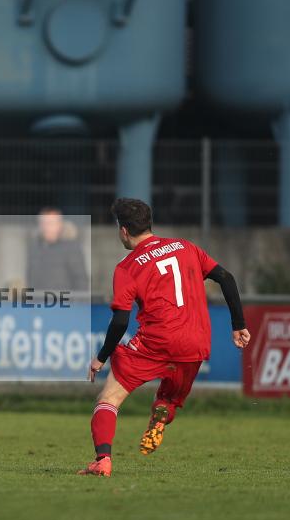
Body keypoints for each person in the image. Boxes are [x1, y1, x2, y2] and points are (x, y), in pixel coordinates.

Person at [79, 198, 251, 477]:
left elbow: (121, 321)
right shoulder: (186, 247)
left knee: (108, 399)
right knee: (169, 399)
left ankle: (103, 460)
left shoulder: (127, 267)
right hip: (196, 341)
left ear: (123, 231)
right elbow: (226, 278)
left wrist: (101, 357)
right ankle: (161, 412)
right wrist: (238, 324)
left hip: (155, 342)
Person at [26, 206, 88, 292]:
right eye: (43, 223)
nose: (46, 227)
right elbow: (30, 279)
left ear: (60, 225)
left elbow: (81, 281)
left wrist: (79, 303)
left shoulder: (72, 248)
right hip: (38, 303)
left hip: (65, 302)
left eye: (50, 223)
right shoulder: (34, 248)